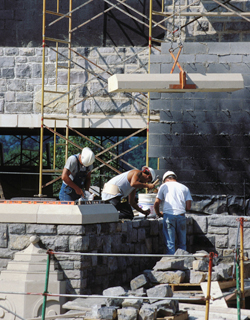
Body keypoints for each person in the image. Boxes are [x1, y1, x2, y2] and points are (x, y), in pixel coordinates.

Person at [154, 171, 192, 254]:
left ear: (166, 180)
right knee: (182, 243)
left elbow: (156, 203)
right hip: (181, 216)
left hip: (168, 216)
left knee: (170, 243)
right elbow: (188, 207)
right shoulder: (185, 188)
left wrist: (158, 213)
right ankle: (183, 263)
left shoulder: (164, 186)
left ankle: (172, 264)